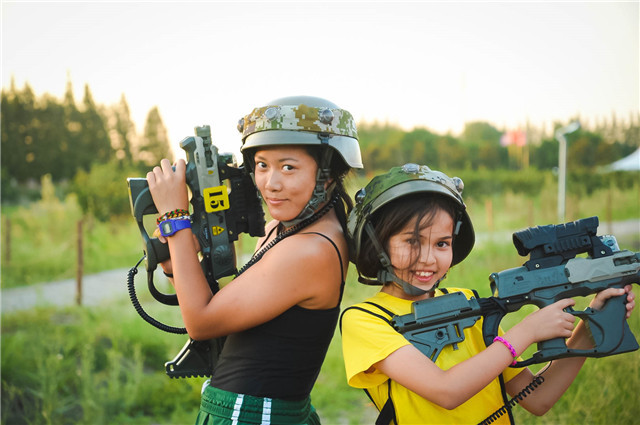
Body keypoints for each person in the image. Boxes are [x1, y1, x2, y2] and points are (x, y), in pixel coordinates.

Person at [340, 163, 636, 425]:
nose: (428, 259)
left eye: (442, 243)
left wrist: (592, 325)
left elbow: (538, 399)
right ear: (377, 245)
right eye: (412, 242)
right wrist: (527, 331)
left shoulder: (465, 305)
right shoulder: (365, 320)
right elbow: (446, 391)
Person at [147, 96, 363, 424]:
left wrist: (174, 218)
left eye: (288, 167)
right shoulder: (288, 227)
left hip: (254, 416)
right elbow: (226, 311)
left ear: (328, 174)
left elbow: (201, 323)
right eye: (262, 165)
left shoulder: (311, 249)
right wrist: (177, 262)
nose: (271, 184)